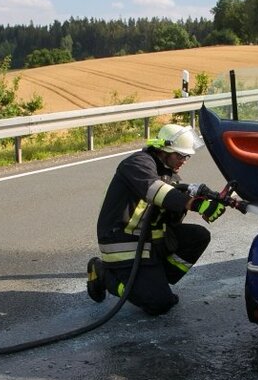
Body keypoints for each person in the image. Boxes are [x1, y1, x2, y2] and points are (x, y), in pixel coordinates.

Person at [86, 123, 227, 315]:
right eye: (180, 155)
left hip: (147, 242)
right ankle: (104, 275)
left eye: (187, 156)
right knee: (159, 304)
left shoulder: (169, 176)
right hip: (122, 243)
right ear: (163, 150)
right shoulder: (137, 164)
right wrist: (192, 204)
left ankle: (154, 280)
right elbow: (156, 191)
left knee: (198, 236)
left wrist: (204, 202)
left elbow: (170, 217)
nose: (184, 160)